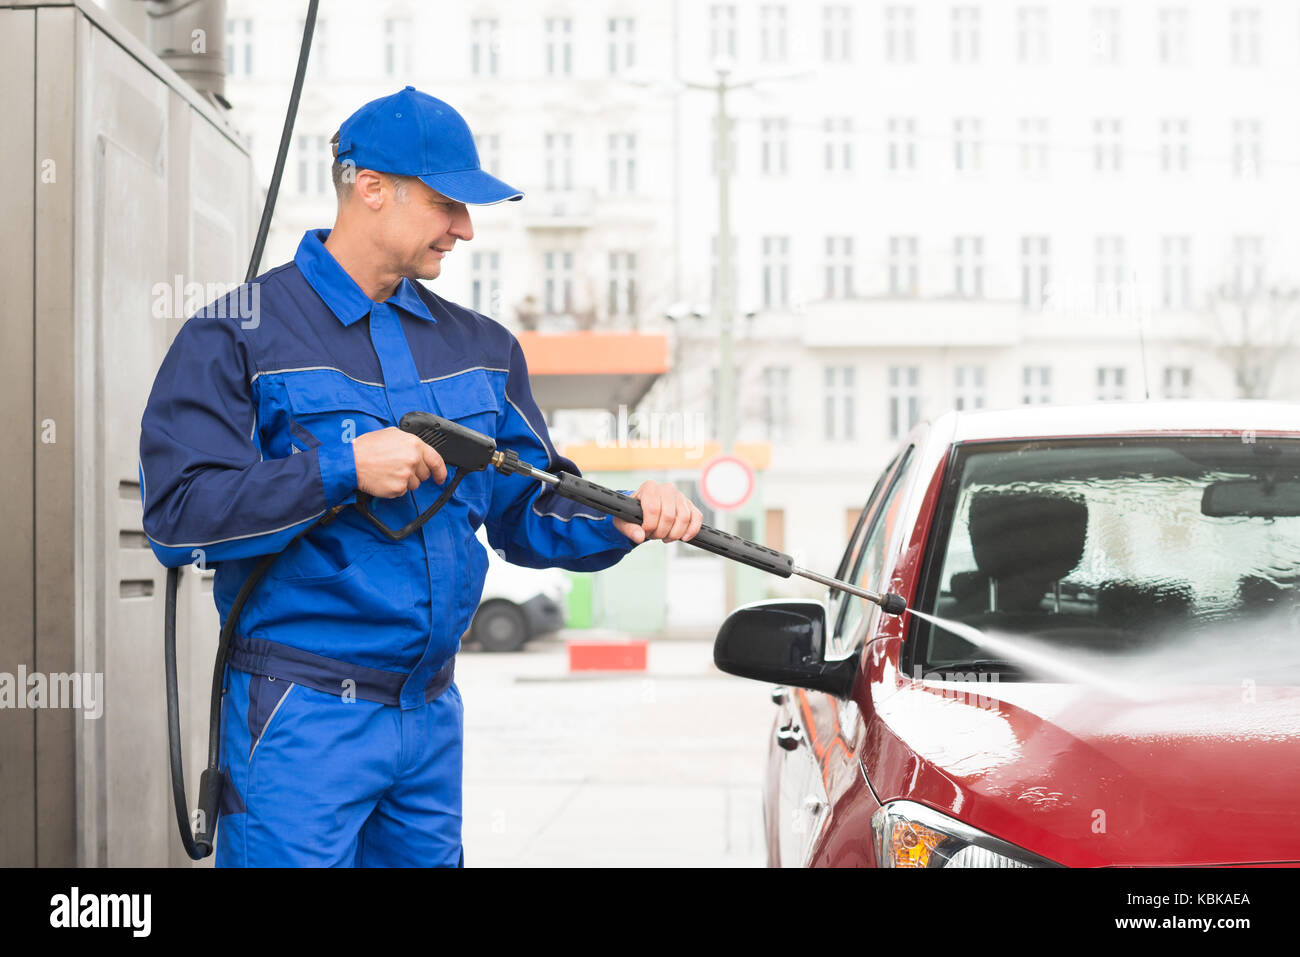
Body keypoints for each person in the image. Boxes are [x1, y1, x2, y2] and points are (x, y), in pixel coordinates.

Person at [138, 87, 703, 867]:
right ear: (370, 187)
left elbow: (527, 508)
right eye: (446, 204)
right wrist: (341, 467)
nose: (465, 229)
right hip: (301, 717)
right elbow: (177, 517)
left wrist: (621, 516)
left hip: (429, 718)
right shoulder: (237, 333)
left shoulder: (481, 347)